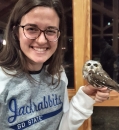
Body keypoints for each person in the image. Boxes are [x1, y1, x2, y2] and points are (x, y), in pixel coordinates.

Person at [0, 0, 110, 130]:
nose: (41, 40)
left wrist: (84, 98)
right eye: (31, 29)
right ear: (16, 32)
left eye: (50, 31)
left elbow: (63, 126)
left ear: (58, 35)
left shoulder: (58, 74)